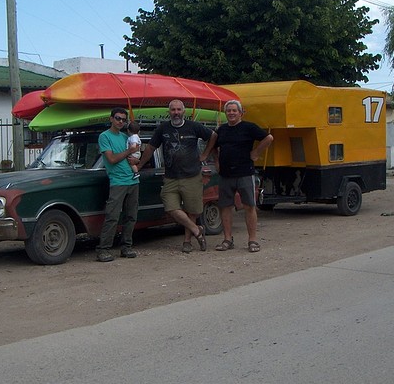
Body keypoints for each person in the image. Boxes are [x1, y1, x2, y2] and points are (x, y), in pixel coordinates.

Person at [137, 99, 217, 253]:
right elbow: (151, 147)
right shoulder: (163, 128)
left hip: (192, 175)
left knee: (191, 210)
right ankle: (197, 230)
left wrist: (205, 154)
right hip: (171, 177)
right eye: (173, 110)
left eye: (178, 109)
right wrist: (140, 165)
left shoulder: (194, 127)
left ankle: (187, 242)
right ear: (169, 112)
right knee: (171, 207)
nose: (176, 113)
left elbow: (213, 136)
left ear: (183, 111)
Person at [214, 99, 273, 253]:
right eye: (229, 111)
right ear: (225, 113)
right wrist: (216, 162)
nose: (231, 113)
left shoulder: (249, 127)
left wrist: (256, 152)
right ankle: (227, 239)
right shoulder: (221, 130)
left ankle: (252, 240)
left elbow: (269, 138)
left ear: (241, 112)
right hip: (226, 175)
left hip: (245, 173)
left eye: (234, 110)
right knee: (225, 207)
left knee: (249, 206)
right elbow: (213, 146)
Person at [95, 107, 140, 262]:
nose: (121, 121)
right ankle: (103, 249)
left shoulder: (126, 136)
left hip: (133, 180)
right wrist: (129, 152)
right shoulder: (104, 137)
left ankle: (126, 247)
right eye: (118, 118)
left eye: (123, 119)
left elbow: (135, 156)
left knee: (131, 216)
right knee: (112, 216)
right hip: (118, 181)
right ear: (111, 119)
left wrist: (136, 159)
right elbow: (111, 159)